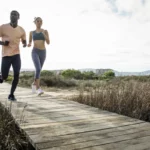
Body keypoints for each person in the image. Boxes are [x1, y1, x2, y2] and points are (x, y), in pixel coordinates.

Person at [0, 10, 27, 101]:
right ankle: (1, 76)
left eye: (15, 14)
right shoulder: (3, 27)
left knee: (16, 74)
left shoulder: (21, 30)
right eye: (11, 14)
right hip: (6, 55)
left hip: (16, 55)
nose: (13, 16)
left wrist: (24, 43)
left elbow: (23, 39)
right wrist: (3, 43)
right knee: (4, 76)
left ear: (18, 17)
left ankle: (11, 94)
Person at [28, 17, 50, 95]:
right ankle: (38, 88)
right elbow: (30, 41)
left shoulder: (45, 31)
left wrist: (44, 34)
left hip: (43, 52)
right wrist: (29, 44)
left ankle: (34, 84)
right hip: (35, 51)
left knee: (39, 70)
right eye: (38, 21)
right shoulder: (31, 32)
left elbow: (48, 42)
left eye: (41, 21)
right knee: (38, 68)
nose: (39, 22)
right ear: (35, 22)